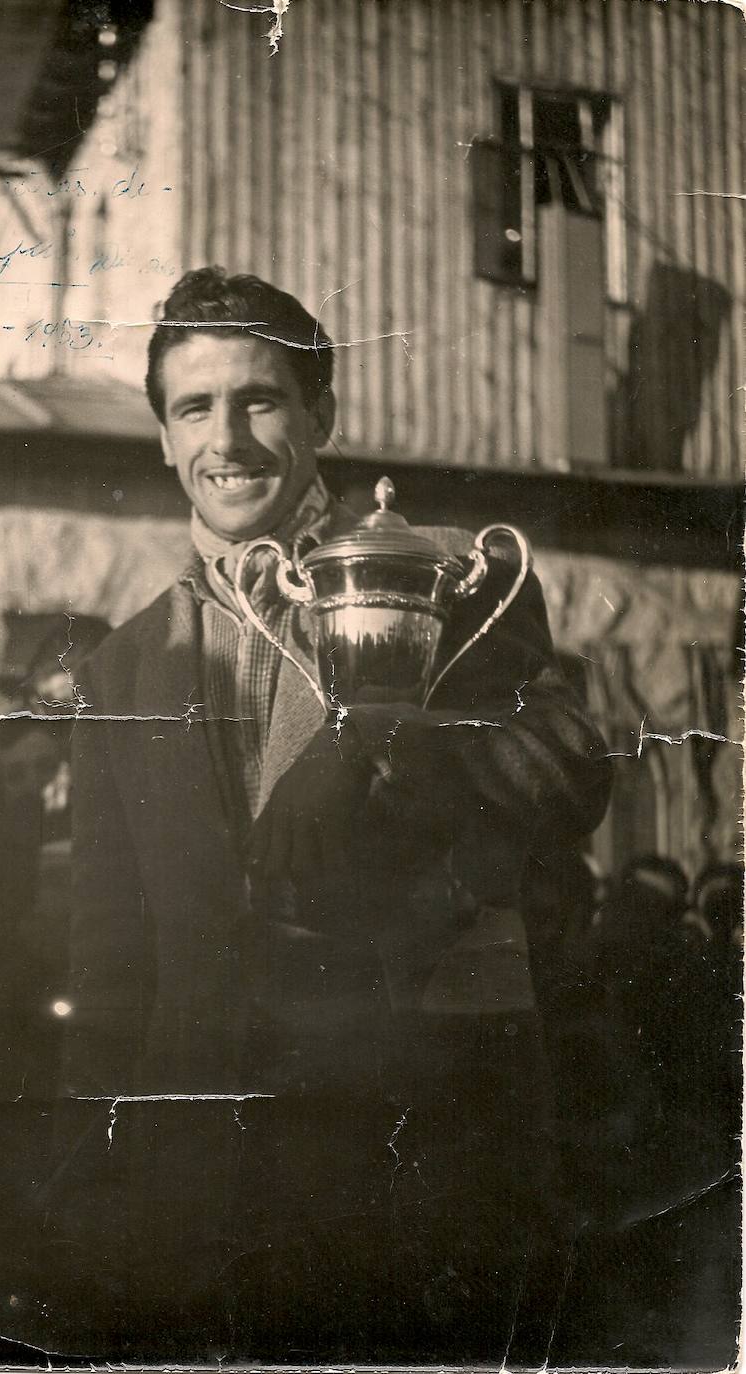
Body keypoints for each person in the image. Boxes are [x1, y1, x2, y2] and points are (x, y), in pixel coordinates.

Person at [60, 268, 612, 1359]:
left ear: (322, 416)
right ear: (164, 438)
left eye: (260, 400)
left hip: (420, 1143)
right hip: (201, 1173)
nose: (230, 438)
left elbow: (563, 771)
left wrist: (370, 733)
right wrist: (101, 1158)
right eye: (194, 407)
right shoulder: (122, 665)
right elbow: (107, 950)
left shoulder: (444, 575)